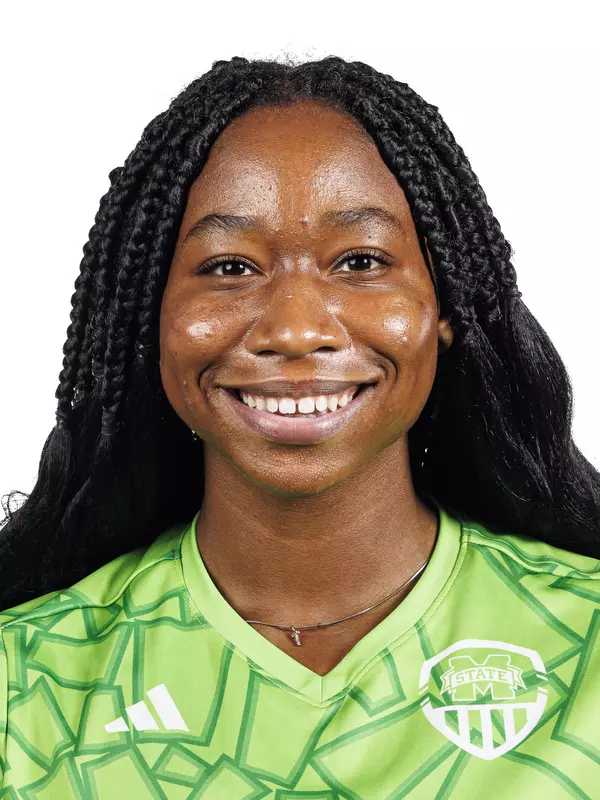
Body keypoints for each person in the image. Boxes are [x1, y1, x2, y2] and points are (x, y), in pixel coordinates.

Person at [0, 54, 599, 798]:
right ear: (149, 320)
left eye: (359, 260)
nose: (294, 329)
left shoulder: (588, 647)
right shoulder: (23, 684)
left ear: (444, 309)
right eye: (228, 268)